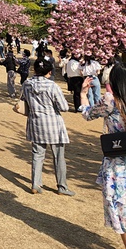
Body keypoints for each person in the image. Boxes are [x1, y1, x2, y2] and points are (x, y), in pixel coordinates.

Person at [81, 64, 126, 247]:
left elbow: (87, 114)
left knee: (122, 212)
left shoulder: (110, 101)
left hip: (118, 167)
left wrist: (83, 94)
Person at [22, 58, 74, 196]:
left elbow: (24, 101)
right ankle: (62, 186)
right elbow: (64, 107)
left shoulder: (27, 84)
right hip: (53, 124)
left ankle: (36, 183)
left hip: (35, 123)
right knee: (59, 156)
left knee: (37, 155)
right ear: (49, 72)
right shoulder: (52, 86)